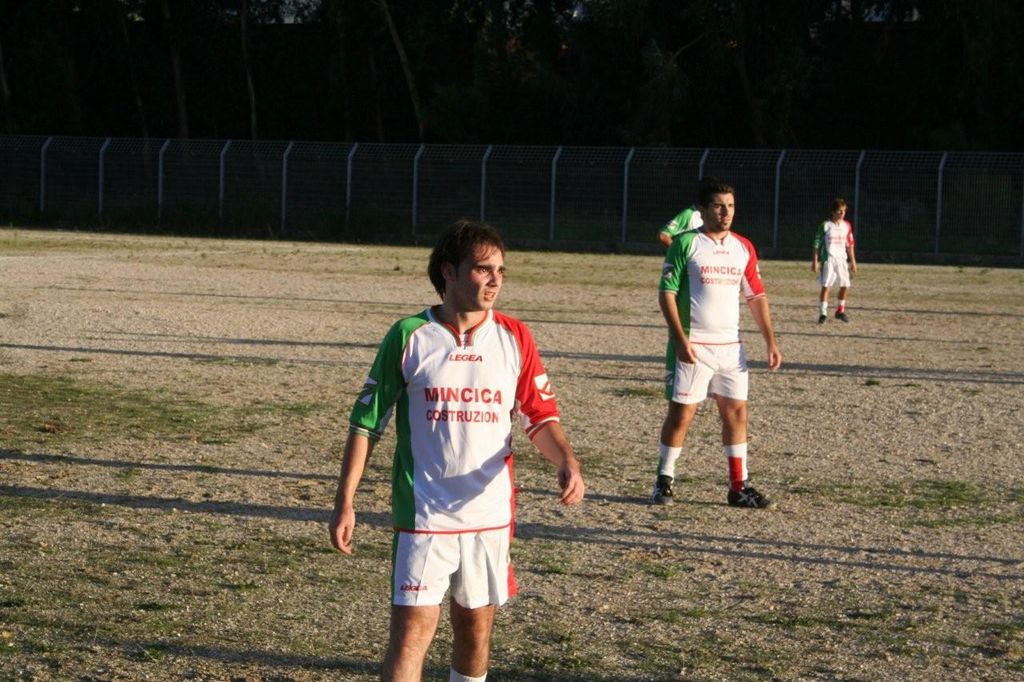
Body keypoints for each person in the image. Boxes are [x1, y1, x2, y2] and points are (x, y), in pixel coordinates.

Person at [328, 219, 585, 682]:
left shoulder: (515, 336)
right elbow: (366, 424)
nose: (495, 280)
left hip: (488, 515)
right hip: (424, 516)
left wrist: (565, 459)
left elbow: (540, 416)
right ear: (448, 271)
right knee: (411, 635)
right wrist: (345, 501)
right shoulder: (409, 335)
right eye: (483, 269)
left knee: (475, 632)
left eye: (501, 271)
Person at [652, 178, 782, 508]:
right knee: (682, 415)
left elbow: (756, 296)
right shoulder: (685, 243)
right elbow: (666, 294)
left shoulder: (743, 247)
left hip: (731, 347)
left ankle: (739, 486)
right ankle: (664, 481)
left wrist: (770, 341)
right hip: (694, 345)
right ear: (702, 208)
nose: (726, 212)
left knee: (737, 413)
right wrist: (680, 339)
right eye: (719, 206)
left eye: (731, 206)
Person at [812, 198, 858, 323]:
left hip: (842, 260)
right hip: (829, 259)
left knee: (845, 285)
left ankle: (840, 311)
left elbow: (850, 244)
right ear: (833, 212)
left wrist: (853, 261)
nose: (842, 213)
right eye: (839, 211)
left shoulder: (847, 226)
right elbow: (817, 244)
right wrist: (815, 261)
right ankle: (823, 313)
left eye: (844, 211)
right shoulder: (825, 226)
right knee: (826, 286)